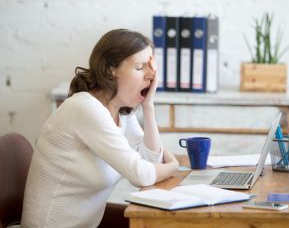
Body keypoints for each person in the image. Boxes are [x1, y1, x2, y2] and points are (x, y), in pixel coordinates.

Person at [21, 29, 179, 228]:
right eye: (140, 67)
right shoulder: (85, 108)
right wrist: (174, 166)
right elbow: (142, 175)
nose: (150, 75)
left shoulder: (119, 110)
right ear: (110, 69)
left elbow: (151, 160)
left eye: (151, 66)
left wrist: (149, 107)